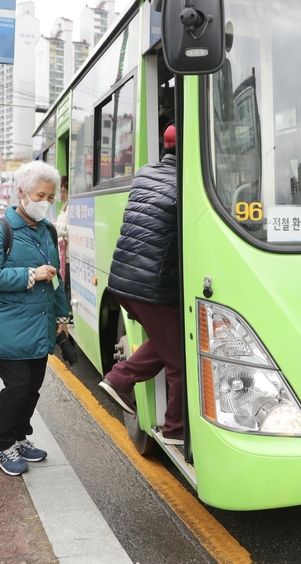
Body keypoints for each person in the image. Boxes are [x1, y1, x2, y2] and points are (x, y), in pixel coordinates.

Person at [0, 161, 73, 476]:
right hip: (7, 326)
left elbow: (55, 276)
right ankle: (1, 446)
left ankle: (19, 437)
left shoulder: (47, 230)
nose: (45, 202)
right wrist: (30, 274)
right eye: (39, 195)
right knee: (17, 387)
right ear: (21, 193)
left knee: (31, 388)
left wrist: (62, 315)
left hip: (39, 324)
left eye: (50, 197)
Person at [99, 125, 183, 445]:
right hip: (153, 288)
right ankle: (175, 429)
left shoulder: (146, 171)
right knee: (180, 361)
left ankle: (120, 379)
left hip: (125, 281)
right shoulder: (187, 181)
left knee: (168, 344)